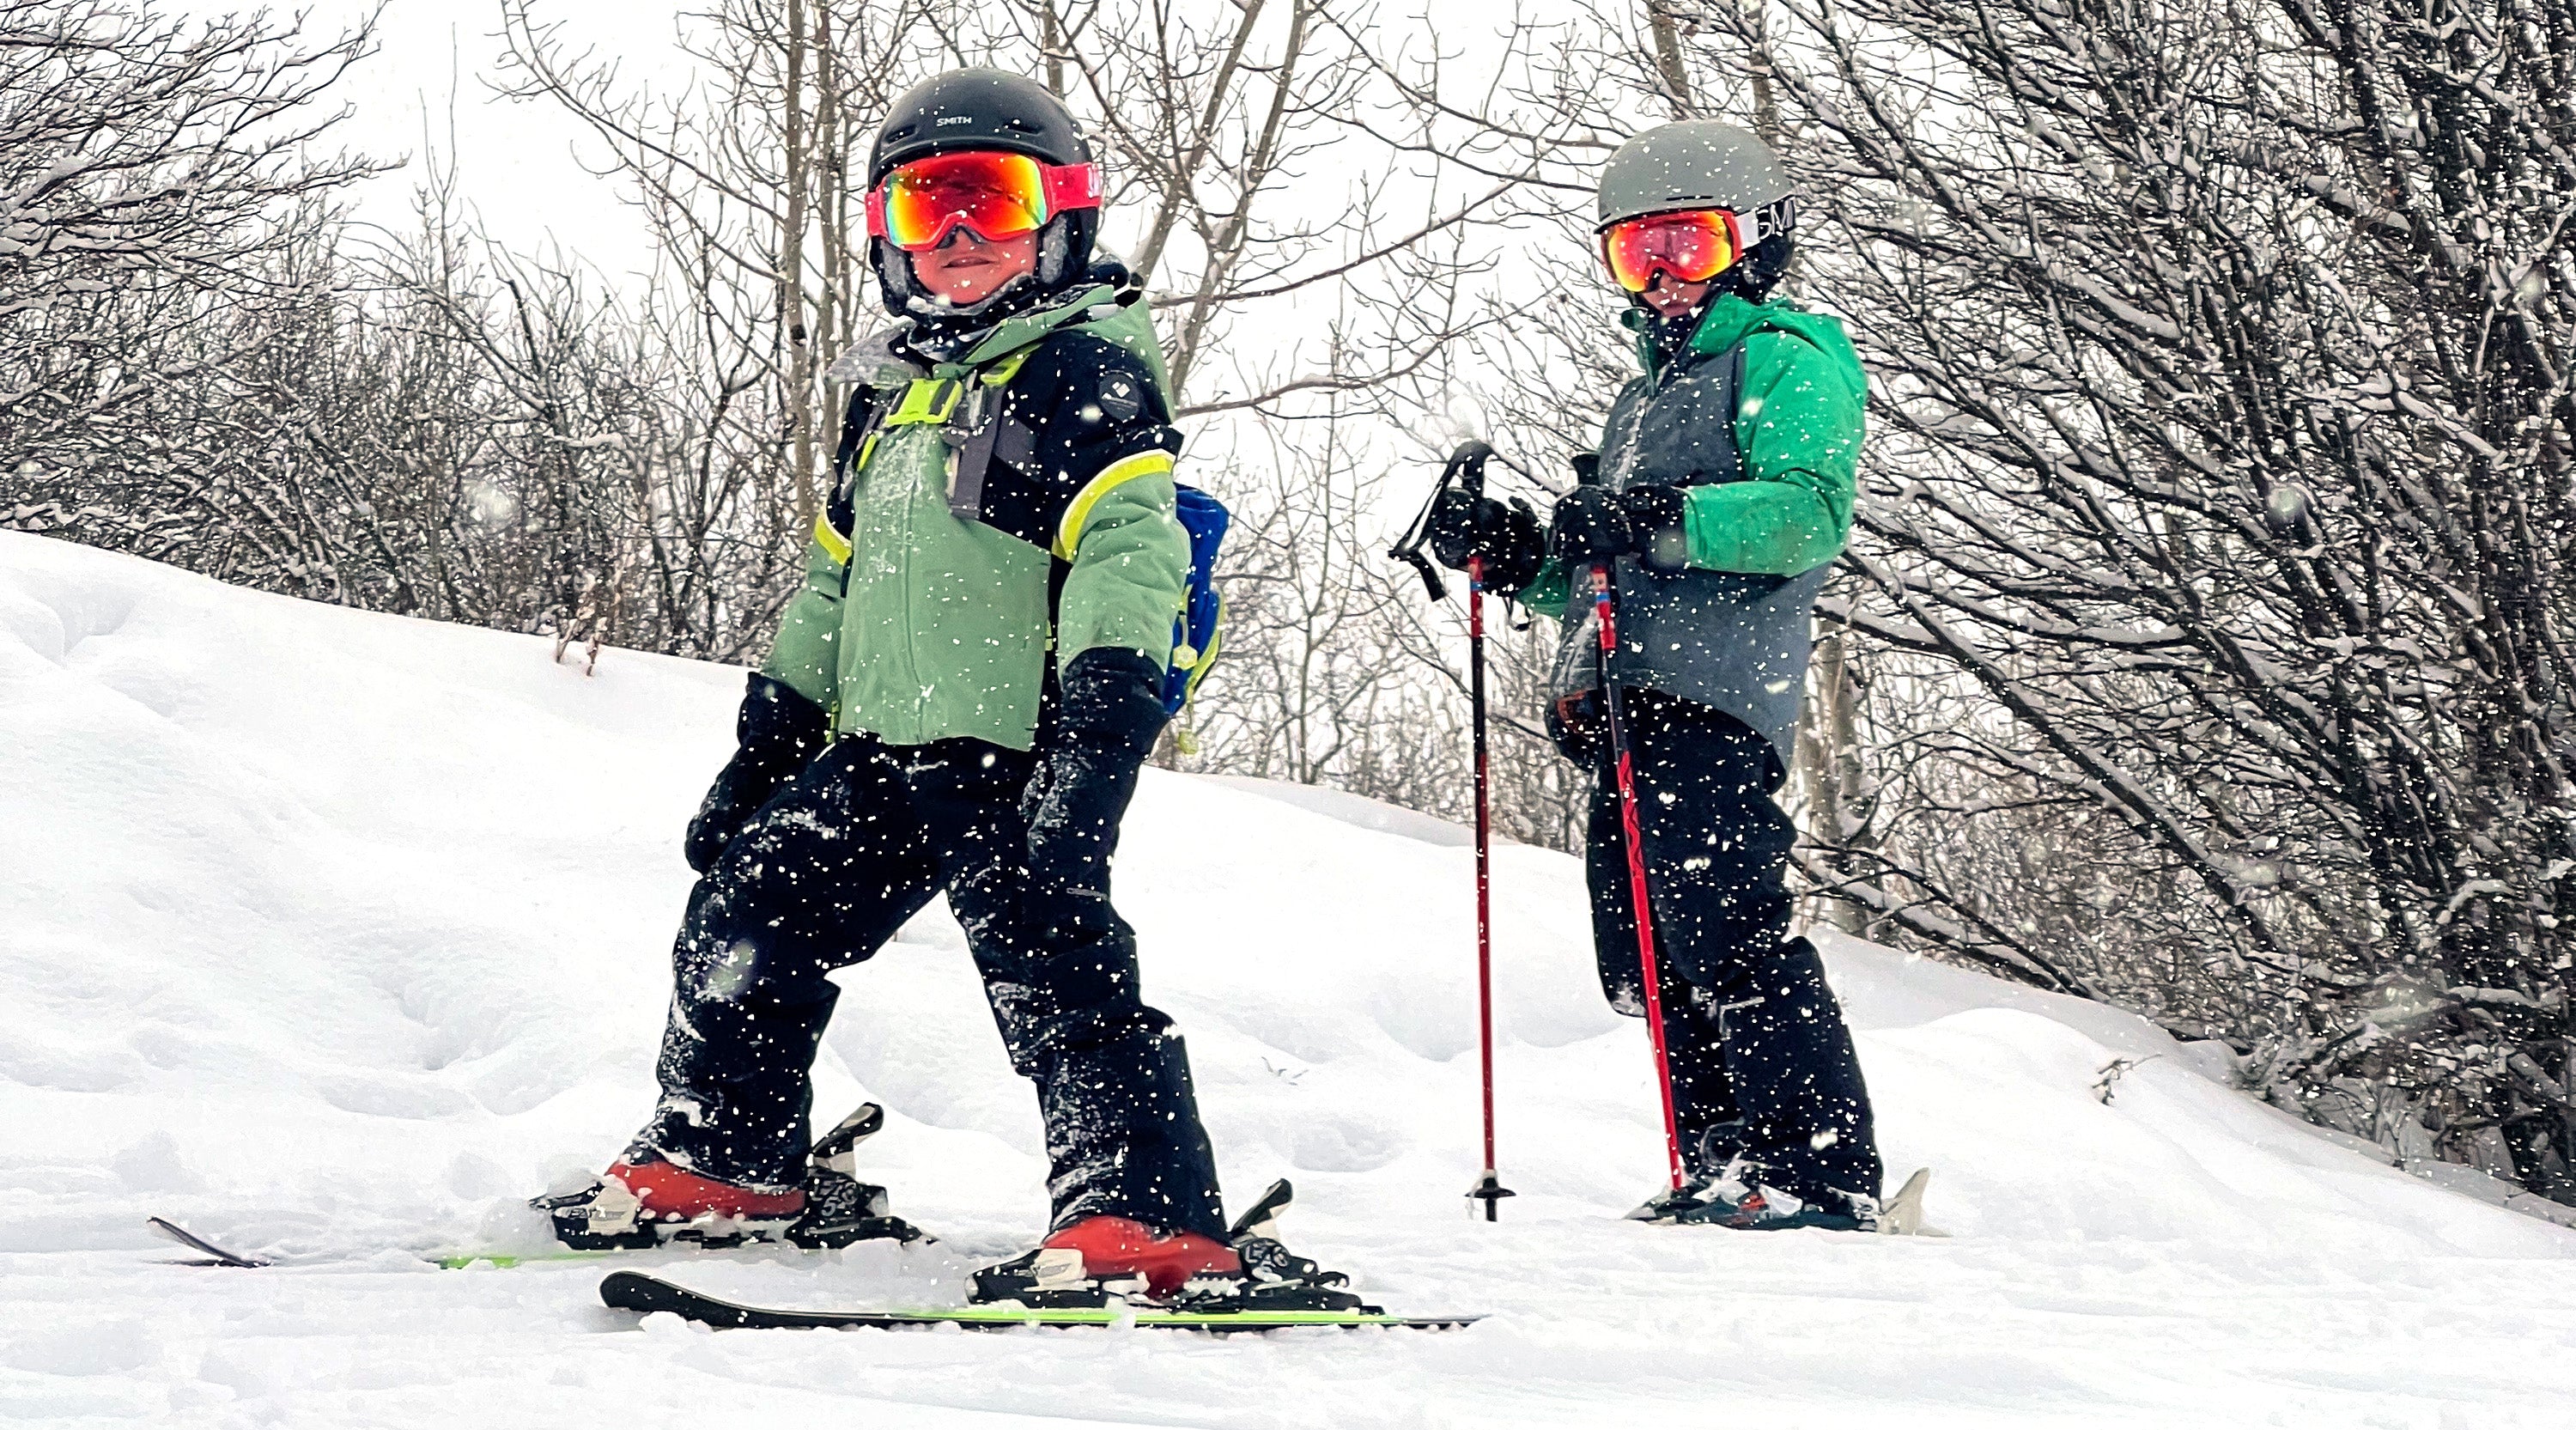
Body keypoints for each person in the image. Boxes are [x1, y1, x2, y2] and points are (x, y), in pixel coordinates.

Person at [542, 69, 1346, 1306]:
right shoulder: (893, 392)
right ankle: (727, 1150)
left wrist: (1097, 740)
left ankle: (1143, 1211)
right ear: (886, 237)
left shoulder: (1082, 370)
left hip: (1013, 745)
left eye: (990, 200)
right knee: (746, 911)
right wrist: (768, 738)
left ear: (1060, 215)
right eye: (928, 209)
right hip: (878, 744)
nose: (960, 236)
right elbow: (833, 582)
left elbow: (1129, 552)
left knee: (1053, 962)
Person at [1426, 120, 1885, 1230]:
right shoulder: (1639, 403)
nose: (1666, 279)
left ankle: (1820, 1164)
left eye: (1687, 244)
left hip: (1715, 703)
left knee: (1722, 920)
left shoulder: (1785, 355)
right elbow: (1598, 576)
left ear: (1754, 242)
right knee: (1647, 949)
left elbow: (1806, 512)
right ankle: (1725, 1157)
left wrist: (1656, 516)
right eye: (1638, 256)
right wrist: (1516, 550)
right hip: (1626, 708)